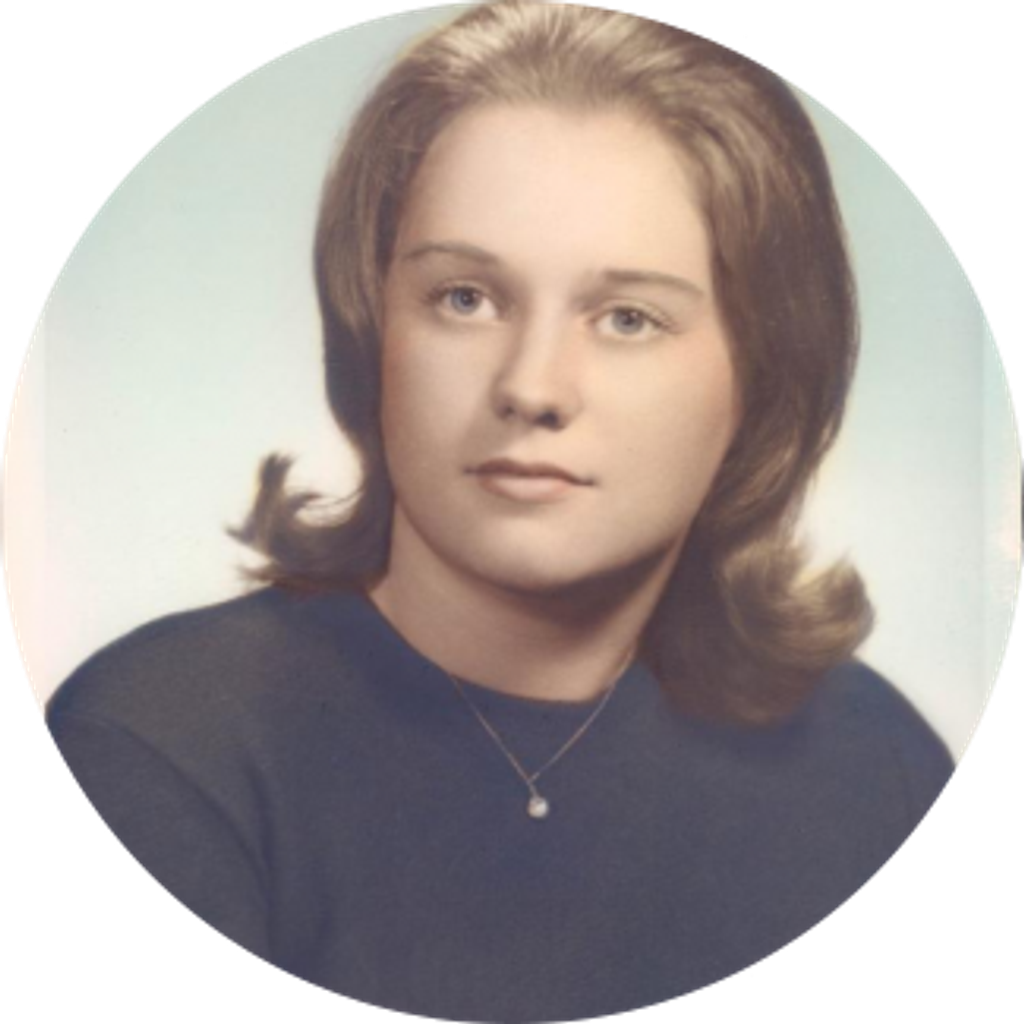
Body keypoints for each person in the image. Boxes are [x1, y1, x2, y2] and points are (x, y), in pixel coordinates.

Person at [45, 2, 955, 1018]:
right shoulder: (161, 748)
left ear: (763, 376)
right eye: (465, 298)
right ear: (371, 327)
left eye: (627, 317)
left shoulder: (875, 764)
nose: (531, 386)